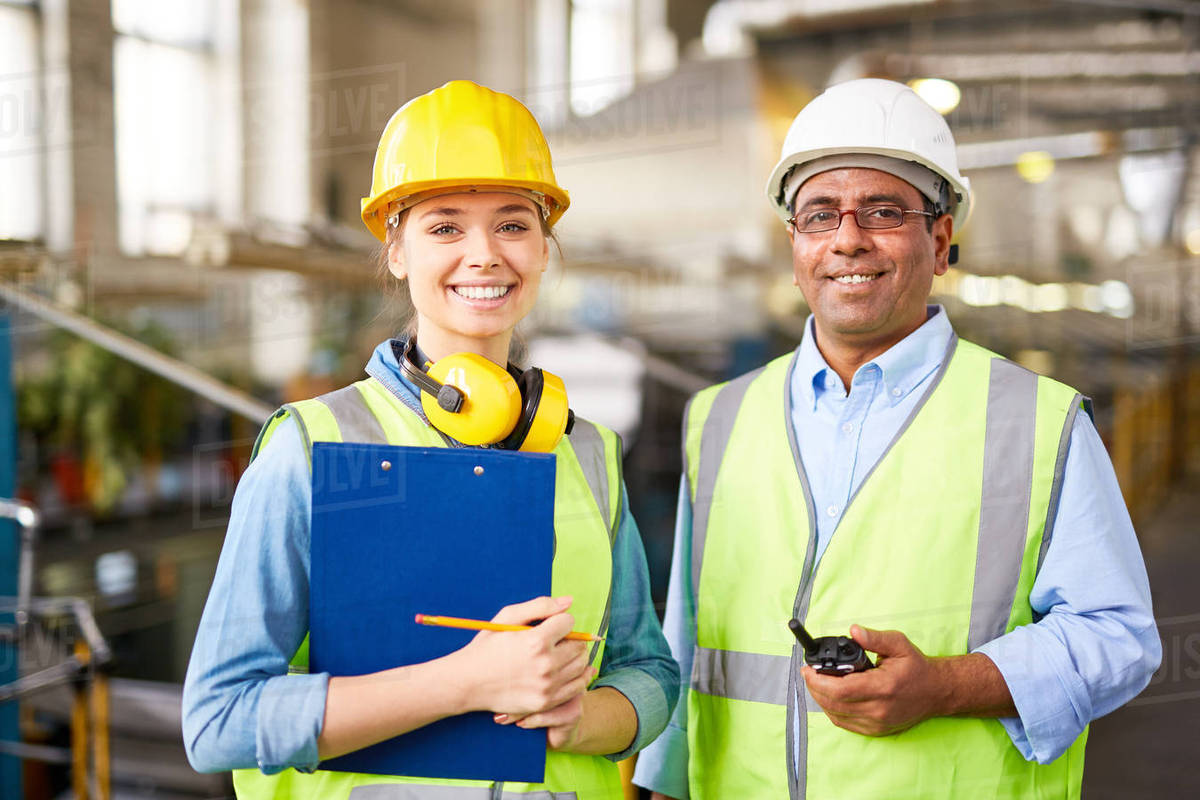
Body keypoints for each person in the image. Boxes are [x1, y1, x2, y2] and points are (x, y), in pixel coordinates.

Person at [632, 78, 1160, 799]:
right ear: (795, 244)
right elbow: (688, 641)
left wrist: (946, 686)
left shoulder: (1040, 421)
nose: (847, 238)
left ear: (940, 242)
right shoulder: (719, 418)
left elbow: (1118, 636)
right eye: (820, 214)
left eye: (883, 212)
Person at [182, 80, 678, 800]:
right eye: (445, 227)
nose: (485, 255)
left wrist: (580, 719)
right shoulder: (311, 449)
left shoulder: (589, 453)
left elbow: (650, 672)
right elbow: (217, 720)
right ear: (396, 250)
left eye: (513, 225)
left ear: (544, 248)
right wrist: (464, 683)